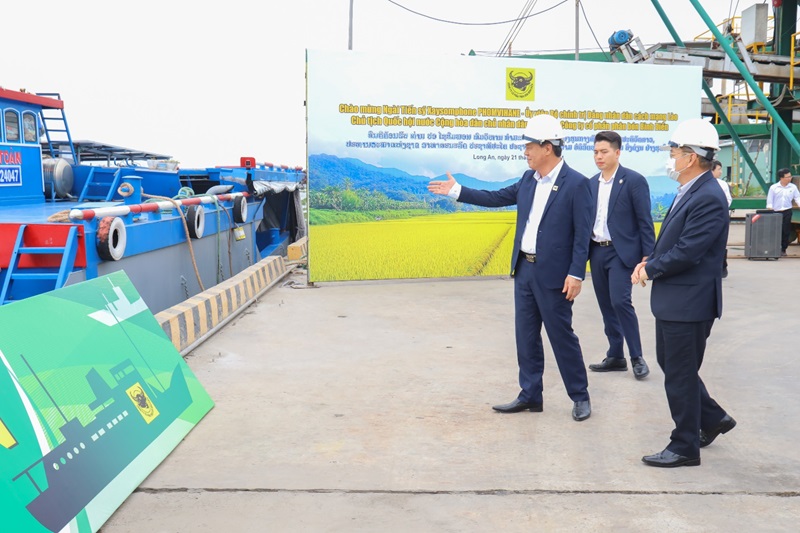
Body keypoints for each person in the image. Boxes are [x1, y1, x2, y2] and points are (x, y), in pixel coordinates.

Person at [427, 114, 593, 421]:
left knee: (561, 336)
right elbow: (495, 197)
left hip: (556, 276)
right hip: (525, 270)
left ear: (547, 147)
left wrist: (576, 274)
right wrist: (456, 190)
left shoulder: (577, 184)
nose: (525, 151)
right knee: (526, 336)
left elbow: (583, 233)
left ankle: (580, 396)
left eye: (529, 146)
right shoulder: (528, 180)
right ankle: (530, 395)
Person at [632, 118, 736, 468]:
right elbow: (677, 241)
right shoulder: (691, 189)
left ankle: (685, 446)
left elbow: (689, 251)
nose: (671, 158)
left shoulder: (708, 196)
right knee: (675, 366)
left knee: (679, 372)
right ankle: (713, 418)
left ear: (691, 157)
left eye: (675, 152)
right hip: (677, 300)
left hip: (689, 302)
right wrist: (651, 259)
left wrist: (651, 269)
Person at [586, 131, 655, 380]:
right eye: (596, 152)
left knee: (620, 301)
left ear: (617, 152)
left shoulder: (634, 181)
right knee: (606, 305)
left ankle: (637, 357)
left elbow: (644, 220)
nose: (599, 156)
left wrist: (648, 256)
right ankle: (616, 355)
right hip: (596, 250)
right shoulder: (590, 183)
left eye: (604, 152)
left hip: (621, 253)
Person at [767, 168, 800, 257]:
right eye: (787, 177)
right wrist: (770, 208)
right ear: (781, 178)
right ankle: (773, 248)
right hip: (776, 212)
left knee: (786, 231)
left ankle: (783, 249)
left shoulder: (793, 187)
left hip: (787, 211)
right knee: (775, 231)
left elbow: (797, 198)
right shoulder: (774, 187)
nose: (790, 178)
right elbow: (770, 200)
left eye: (790, 176)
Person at [711, 160, 732, 277]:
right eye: (719, 169)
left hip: (720, 217)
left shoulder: (722, 184)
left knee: (720, 242)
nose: (721, 172)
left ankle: (723, 267)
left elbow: (728, 200)